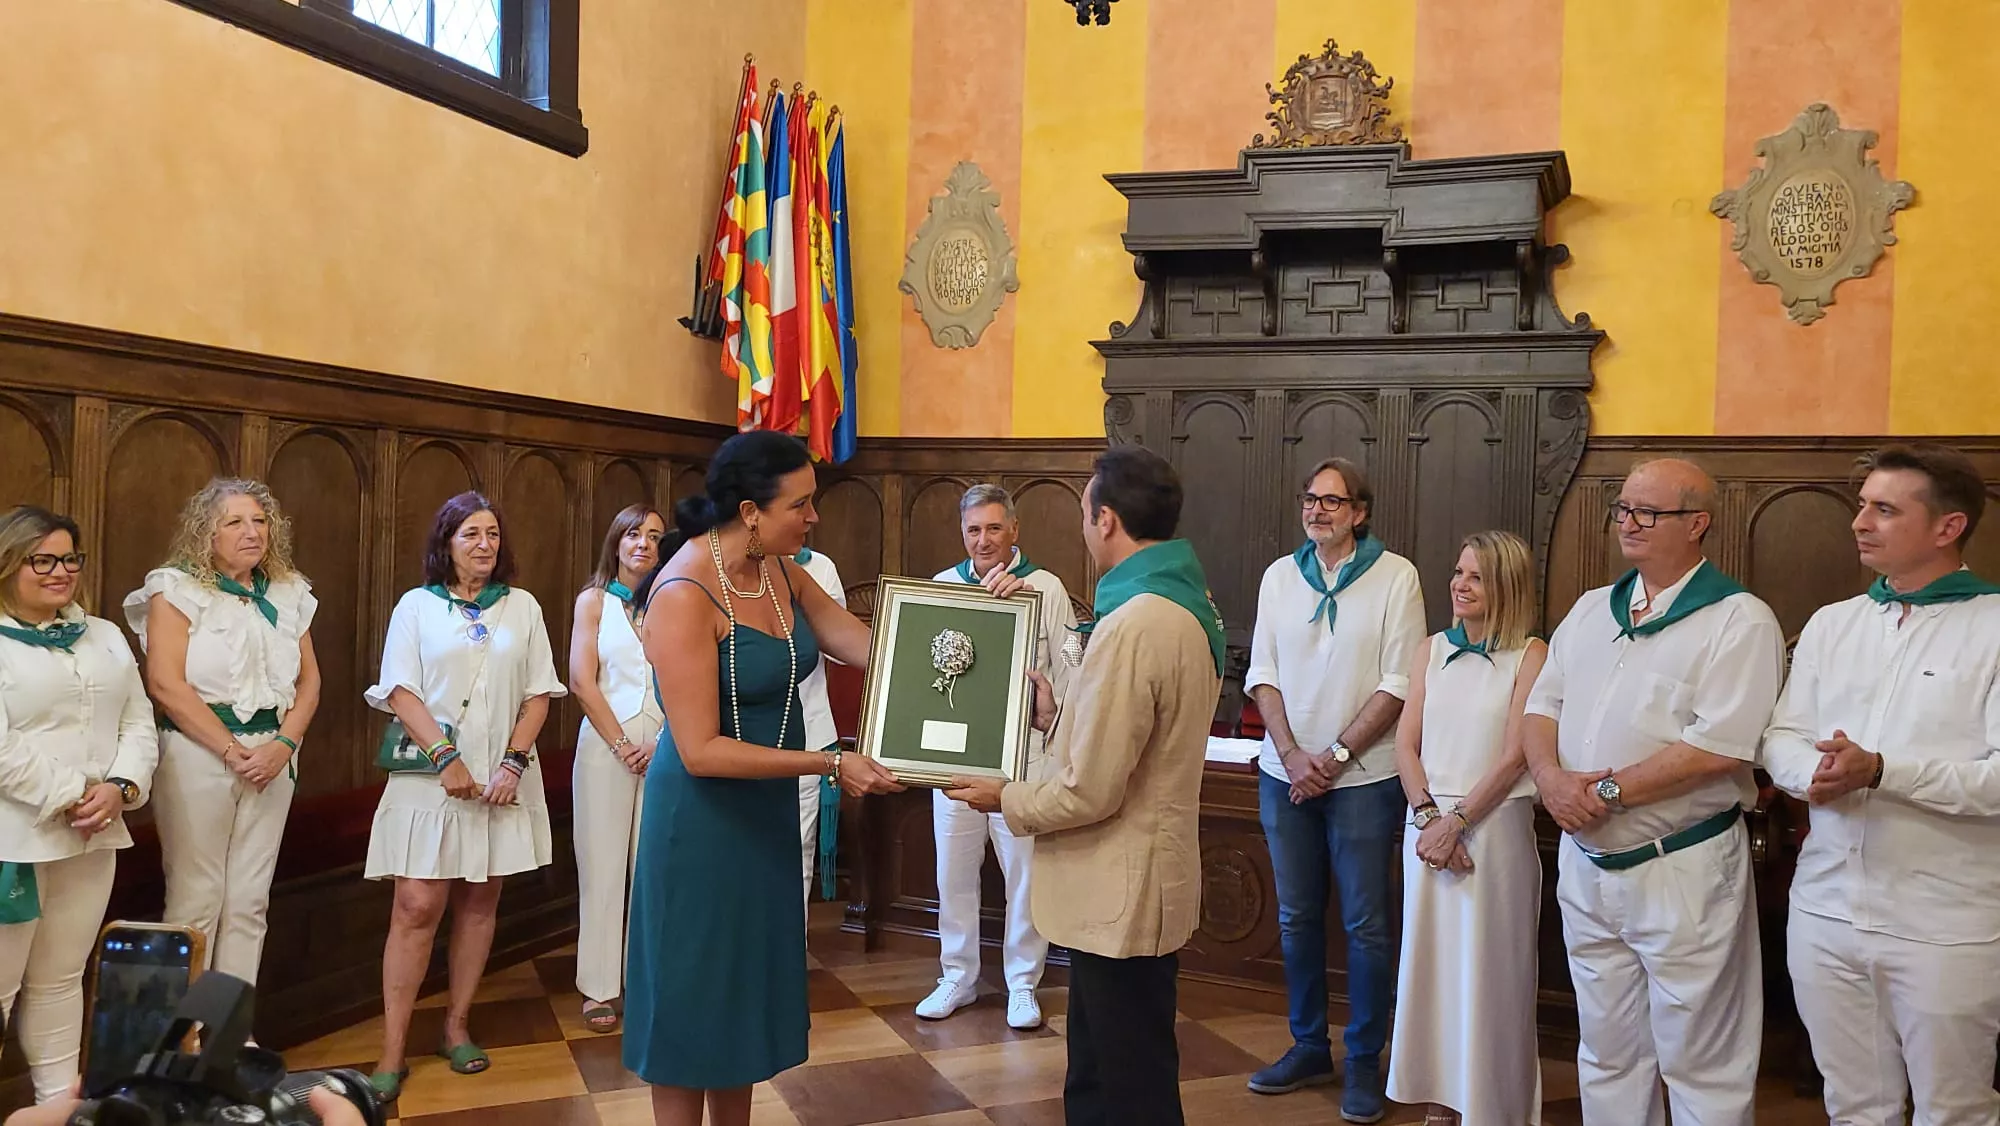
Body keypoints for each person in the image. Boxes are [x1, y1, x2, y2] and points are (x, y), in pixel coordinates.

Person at [623, 430, 902, 1126]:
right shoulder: (683, 590)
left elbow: (864, 644)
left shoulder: (781, 571)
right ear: (750, 510)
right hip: (701, 823)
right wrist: (831, 762)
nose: (813, 518)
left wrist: (987, 663)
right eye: (800, 505)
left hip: (764, 815)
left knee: (738, 1002)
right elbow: (700, 750)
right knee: (693, 1003)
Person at [946, 445, 1225, 1126]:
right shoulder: (1187, 601)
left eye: (1082, 515)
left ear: (1105, 520)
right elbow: (1136, 740)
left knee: (1123, 1089)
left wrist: (1002, 797)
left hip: (1119, 889)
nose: (1081, 528)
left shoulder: (1133, 622)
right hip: (1139, 878)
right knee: (1111, 1069)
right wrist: (1056, 715)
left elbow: (1090, 790)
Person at [1523, 458, 1783, 1126]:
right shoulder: (1589, 610)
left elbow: (1720, 746)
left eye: (1648, 512)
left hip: (1681, 866)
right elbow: (1539, 707)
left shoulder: (1738, 621)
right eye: (1622, 509)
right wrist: (1551, 781)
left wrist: (1602, 790)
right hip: (1588, 865)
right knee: (1608, 1050)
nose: (1628, 523)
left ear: (1697, 524)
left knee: (1702, 1061)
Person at [1760, 443, 2000, 1125]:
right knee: (1854, 1104)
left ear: (1947, 527)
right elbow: (1780, 736)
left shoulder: (1993, 625)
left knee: (1954, 1109)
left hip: (1944, 921)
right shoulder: (1834, 624)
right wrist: (1815, 775)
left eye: (1885, 509)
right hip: (1826, 906)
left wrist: (1886, 771)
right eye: (1863, 505)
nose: (1860, 521)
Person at [362, 492, 566, 1101]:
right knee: (416, 905)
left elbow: (538, 693)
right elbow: (399, 689)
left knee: (481, 898)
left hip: (504, 778)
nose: (485, 545)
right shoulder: (416, 606)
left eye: (493, 535)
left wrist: (513, 763)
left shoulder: (522, 607)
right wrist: (445, 759)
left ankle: (456, 1026)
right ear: (446, 543)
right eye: (471, 534)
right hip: (430, 777)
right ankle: (392, 1048)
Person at [1242, 457, 1425, 1123]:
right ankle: (1308, 1045)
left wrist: (1337, 756)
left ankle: (1364, 1061)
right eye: (1309, 499)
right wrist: (1292, 755)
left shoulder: (1396, 577)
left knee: (1367, 925)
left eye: (1331, 501)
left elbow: (1399, 683)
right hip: (1283, 775)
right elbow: (1263, 671)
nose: (1316, 510)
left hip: (1366, 780)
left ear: (1359, 512)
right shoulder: (1279, 577)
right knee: (1294, 919)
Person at [123, 479, 320, 994]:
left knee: (249, 901)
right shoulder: (176, 588)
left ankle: (229, 1032)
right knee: (196, 896)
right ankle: (177, 1039)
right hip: (199, 754)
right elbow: (166, 682)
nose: (251, 532)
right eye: (234, 522)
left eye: (259, 521)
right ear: (205, 534)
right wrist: (232, 751)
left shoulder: (288, 589)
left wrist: (284, 745)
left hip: (273, 757)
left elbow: (310, 681)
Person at [1385, 530, 1546, 1126]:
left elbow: (1516, 754)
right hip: (1426, 827)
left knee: (1489, 973)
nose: (1459, 584)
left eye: (1475, 576)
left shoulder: (1531, 654)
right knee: (1430, 969)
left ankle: (1490, 1107)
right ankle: (1438, 1101)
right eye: (1458, 572)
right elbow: (1405, 742)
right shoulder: (1430, 649)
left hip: (1493, 827)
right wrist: (1429, 817)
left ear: (1504, 585)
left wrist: (1459, 822)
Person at [0, 507, 157, 1103]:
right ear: (9, 564)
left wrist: (121, 786)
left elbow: (139, 721)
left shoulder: (104, 633)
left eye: (69, 558)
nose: (60, 570)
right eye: (43, 559)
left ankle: (59, 1110)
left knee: (62, 979)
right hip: (14, 838)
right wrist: (71, 793)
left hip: (94, 834)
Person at [919, 484, 1077, 1031]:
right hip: (958, 760)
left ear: (1014, 530)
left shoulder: (1046, 587)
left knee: (1024, 875)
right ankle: (957, 976)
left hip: (1026, 764)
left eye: (993, 528)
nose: (982, 540)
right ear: (961, 533)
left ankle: (1022, 984)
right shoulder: (943, 586)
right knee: (953, 873)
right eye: (972, 530)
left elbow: (1070, 669)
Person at [567, 504, 666, 1034]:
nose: (643, 544)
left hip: (666, 745)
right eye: (633, 534)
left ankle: (643, 978)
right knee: (603, 866)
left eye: (653, 536)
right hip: (608, 744)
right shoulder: (594, 602)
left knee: (649, 868)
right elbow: (582, 679)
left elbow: (689, 676)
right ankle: (599, 987)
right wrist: (624, 743)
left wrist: (668, 739)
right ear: (616, 542)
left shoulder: (674, 599)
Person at [791, 544, 845, 913]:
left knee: (799, 848)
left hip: (810, 731)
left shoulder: (821, 567)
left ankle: (793, 953)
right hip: (743, 738)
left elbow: (839, 647)